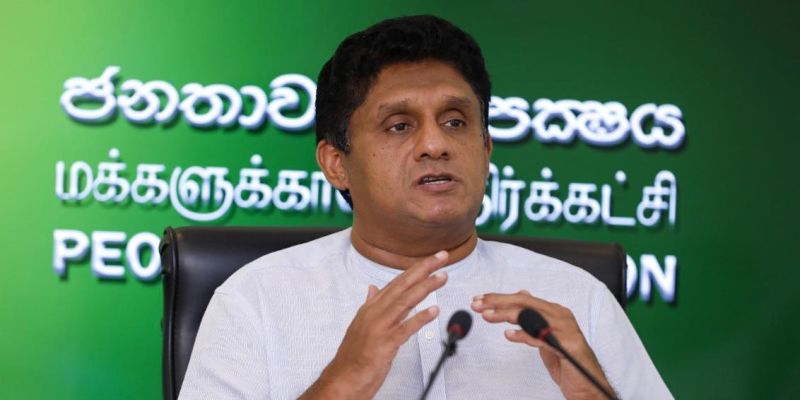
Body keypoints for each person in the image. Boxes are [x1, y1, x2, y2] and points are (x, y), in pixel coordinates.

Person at [179, 15, 672, 400]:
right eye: (399, 125)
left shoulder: (577, 299)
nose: (435, 145)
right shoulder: (256, 301)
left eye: (456, 121)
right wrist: (342, 381)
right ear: (336, 164)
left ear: (486, 149)